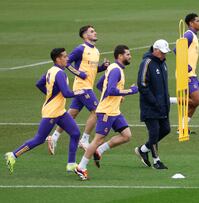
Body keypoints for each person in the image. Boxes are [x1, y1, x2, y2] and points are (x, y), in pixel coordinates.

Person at [4, 48, 84, 174]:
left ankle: (71, 164)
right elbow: (67, 93)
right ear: (58, 59)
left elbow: (39, 84)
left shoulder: (51, 71)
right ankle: (13, 155)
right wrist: (80, 92)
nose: (67, 58)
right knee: (39, 139)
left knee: (75, 133)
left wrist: (51, 95)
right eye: (64, 56)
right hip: (52, 112)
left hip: (60, 111)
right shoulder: (59, 73)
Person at [74, 45, 138, 180]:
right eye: (127, 54)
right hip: (107, 112)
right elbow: (110, 90)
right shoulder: (116, 70)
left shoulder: (115, 69)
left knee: (126, 135)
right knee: (97, 139)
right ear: (120, 56)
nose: (130, 56)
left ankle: (100, 150)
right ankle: (81, 167)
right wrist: (129, 91)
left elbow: (100, 85)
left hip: (114, 111)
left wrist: (119, 97)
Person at [47, 25, 109, 154]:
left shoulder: (96, 51)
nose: (95, 32)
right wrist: (79, 73)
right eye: (92, 31)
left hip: (86, 86)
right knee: (97, 111)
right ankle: (84, 140)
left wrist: (102, 67)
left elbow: (92, 69)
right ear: (85, 35)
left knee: (72, 114)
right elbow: (67, 63)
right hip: (82, 87)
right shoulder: (81, 49)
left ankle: (54, 137)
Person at [135, 39, 171, 170]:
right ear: (155, 50)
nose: (164, 55)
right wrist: (154, 102)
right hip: (150, 107)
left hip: (163, 106)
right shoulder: (147, 63)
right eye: (162, 52)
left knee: (166, 129)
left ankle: (143, 150)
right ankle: (157, 161)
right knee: (154, 132)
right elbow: (142, 85)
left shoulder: (163, 64)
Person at [177, 13, 199, 133]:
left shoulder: (193, 36)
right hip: (186, 74)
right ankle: (170, 100)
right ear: (191, 23)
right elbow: (177, 49)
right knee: (196, 100)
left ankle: (182, 127)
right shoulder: (188, 34)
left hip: (191, 73)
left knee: (193, 104)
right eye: (197, 21)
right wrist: (185, 66)